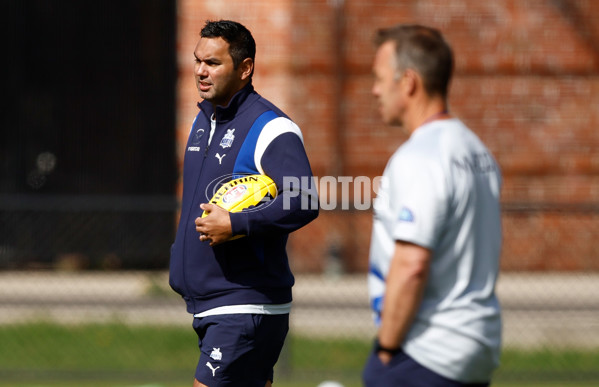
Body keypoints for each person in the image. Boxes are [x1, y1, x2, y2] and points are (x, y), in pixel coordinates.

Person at [169, 20, 318, 387]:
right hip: (212, 304)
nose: (201, 71)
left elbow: (305, 198)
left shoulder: (270, 128)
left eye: (214, 63)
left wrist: (236, 223)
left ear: (245, 68)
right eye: (197, 61)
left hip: (244, 304)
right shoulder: (203, 121)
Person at [363, 24, 503, 387]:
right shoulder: (477, 151)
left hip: (425, 351)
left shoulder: (420, 157)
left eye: (379, 78)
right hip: (475, 350)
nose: (374, 90)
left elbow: (411, 265)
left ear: (408, 82)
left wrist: (387, 349)